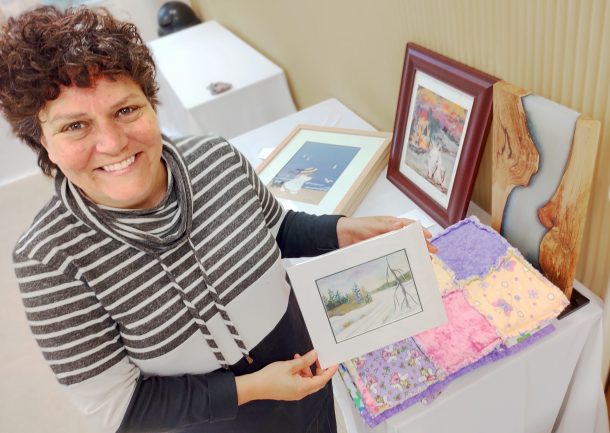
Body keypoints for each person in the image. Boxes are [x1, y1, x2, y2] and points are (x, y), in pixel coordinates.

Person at [0, 6, 435, 433]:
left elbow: (274, 229)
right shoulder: (50, 261)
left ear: (151, 106)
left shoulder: (216, 157)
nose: (112, 142)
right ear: (41, 142)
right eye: (75, 126)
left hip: (311, 383)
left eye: (126, 110)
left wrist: (343, 229)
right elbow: (122, 409)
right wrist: (251, 389)